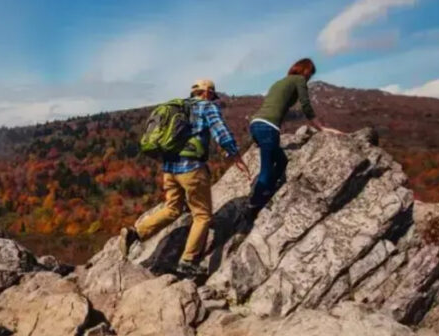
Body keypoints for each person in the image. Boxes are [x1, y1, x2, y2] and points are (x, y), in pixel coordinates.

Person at [119, 78, 249, 277]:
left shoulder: (179, 107)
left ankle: (135, 233)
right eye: (212, 95)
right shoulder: (206, 107)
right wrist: (235, 155)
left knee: (172, 208)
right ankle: (188, 261)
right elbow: (221, 132)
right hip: (192, 169)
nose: (213, 99)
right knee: (203, 216)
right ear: (207, 93)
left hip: (169, 169)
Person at [248, 58, 341, 209]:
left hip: (255, 124)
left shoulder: (279, 82)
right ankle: (255, 203)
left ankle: (266, 191)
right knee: (267, 167)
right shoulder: (299, 80)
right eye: (310, 73)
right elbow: (305, 104)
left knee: (282, 161)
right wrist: (320, 127)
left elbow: (276, 106)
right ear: (304, 70)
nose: (309, 77)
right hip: (268, 126)